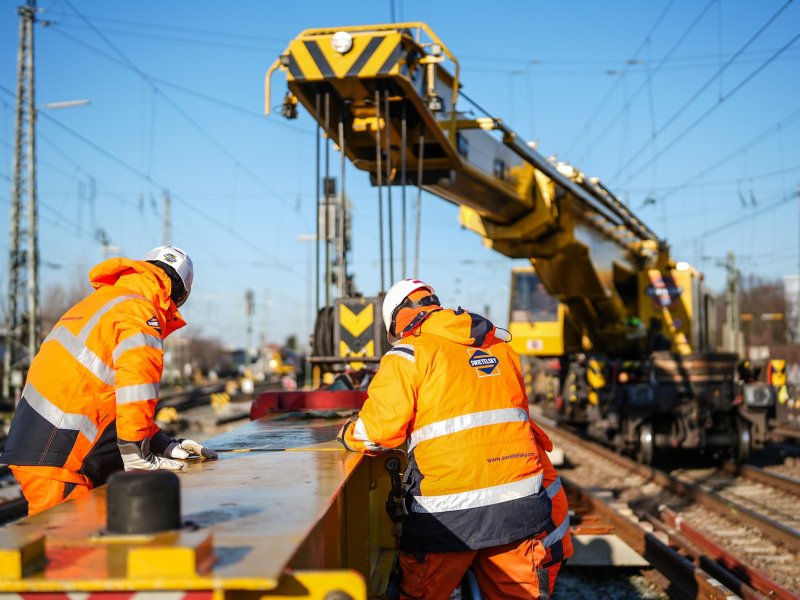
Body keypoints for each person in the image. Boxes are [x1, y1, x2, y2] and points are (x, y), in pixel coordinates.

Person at [337, 278, 571, 600]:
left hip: (446, 517)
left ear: (397, 321)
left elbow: (379, 433)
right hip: (518, 510)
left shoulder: (407, 355)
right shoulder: (501, 349)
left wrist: (348, 434)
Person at [0, 245, 217, 516]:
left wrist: (162, 444)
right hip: (62, 457)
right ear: (180, 296)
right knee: (70, 552)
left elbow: (106, 399)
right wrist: (137, 453)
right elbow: (137, 386)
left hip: (45, 447)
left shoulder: (103, 303)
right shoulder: (140, 311)